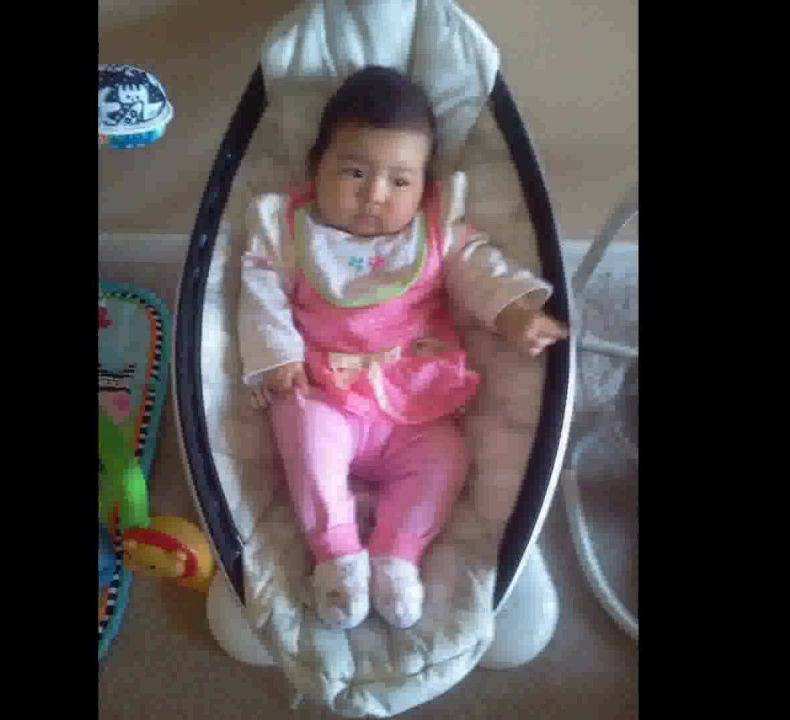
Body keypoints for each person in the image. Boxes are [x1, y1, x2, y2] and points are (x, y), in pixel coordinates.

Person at [237, 66, 567, 629]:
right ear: (317, 165)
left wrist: (513, 311)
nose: (374, 195)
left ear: (423, 186)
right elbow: (261, 290)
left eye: (399, 181)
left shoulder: (435, 231)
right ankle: (337, 556)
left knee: (447, 459)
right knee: (305, 434)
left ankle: (396, 557)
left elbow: (477, 269)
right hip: (327, 391)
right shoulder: (289, 229)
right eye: (355, 172)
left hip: (415, 403)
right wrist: (280, 355)